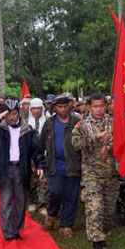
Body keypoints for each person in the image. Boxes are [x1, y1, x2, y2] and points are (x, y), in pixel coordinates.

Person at [0, 97, 45, 241]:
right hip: (4, 170)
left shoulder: (27, 129)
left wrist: (40, 165)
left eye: (14, 114)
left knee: (20, 202)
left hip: (21, 169)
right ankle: (7, 233)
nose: (12, 117)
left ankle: (16, 229)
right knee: (6, 202)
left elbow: (36, 149)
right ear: (4, 115)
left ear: (18, 114)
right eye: (8, 114)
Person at [71, 93, 117, 249]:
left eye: (102, 106)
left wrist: (110, 146)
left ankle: (102, 233)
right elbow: (75, 144)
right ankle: (97, 245)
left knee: (108, 210)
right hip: (92, 174)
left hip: (110, 173)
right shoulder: (82, 125)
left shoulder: (113, 123)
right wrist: (96, 137)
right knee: (95, 207)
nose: (99, 110)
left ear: (106, 106)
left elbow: (123, 142)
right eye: (95, 106)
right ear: (89, 107)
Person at [40, 95, 81, 237]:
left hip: (73, 165)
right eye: (59, 107)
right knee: (55, 192)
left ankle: (65, 225)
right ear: (55, 108)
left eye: (65, 106)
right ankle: (51, 213)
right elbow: (41, 143)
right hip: (54, 165)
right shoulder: (49, 123)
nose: (62, 109)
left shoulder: (77, 122)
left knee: (71, 196)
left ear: (70, 106)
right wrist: (39, 162)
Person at [27, 98, 48, 215]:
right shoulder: (25, 123)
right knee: (31, 180)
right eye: (33, 108)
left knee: (43, 181)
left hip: (44, 156)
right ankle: (31, 201)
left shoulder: (48, 122)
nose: (36, 111)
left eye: (38, 108)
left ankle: (42, 204)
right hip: (30, 158)